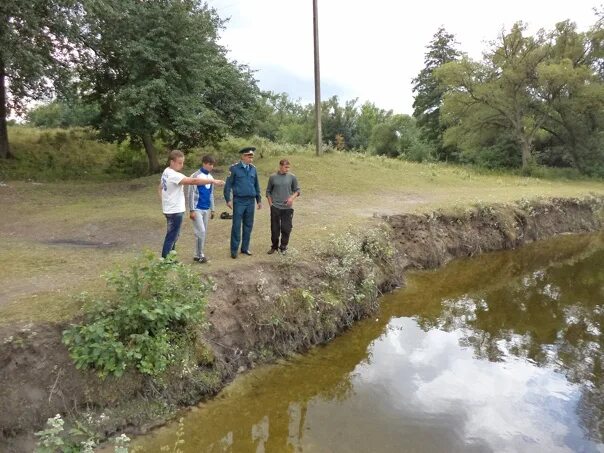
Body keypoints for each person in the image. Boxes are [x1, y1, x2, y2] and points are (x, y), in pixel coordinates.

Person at [159, 150, 224, 259]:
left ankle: (170, 259)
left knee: (174, 235)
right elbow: (193, 181)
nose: (182, 165)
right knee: (172, 236)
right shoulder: (173, 174)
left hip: (171, 209)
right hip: (175, 211)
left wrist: (164, 201)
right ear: (172, 162)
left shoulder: (166, 172)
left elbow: (160, 187)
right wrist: (212, 181)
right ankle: (166, 260)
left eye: (182, 162)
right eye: (179, 162)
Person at [223, 146, 262, 259]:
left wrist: (258, 200)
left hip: (250, 201)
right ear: (243, 156)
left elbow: (256, 185)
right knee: (236, 225)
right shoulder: (234, 168)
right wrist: (228, 199)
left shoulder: (253, 169)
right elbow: (228, 185)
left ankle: (245, 248)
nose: (251, 159)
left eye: (252, 157)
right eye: (249, 157)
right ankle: (234, 250)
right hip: (239, 201)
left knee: (248, 225)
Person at [265, 159, 300, 254]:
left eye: (288, 167)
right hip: (275, 207)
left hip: (287, 208)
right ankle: (274, 246)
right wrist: (271, 205)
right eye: (285, 167)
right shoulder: (273, 177)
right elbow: (268, 191)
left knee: (286, 228)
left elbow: (297, 191)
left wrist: (291, 198)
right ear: (280, 166)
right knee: (275, 229)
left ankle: (283, 247)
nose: (287, 169)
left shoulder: (292, 177)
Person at [187, 155, 217, 263]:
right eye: (209, 164)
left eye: (212, 164)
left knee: (201, 233)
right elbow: (190, 193)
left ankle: (196, 254)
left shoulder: (211, 178)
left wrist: (212, 209)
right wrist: (191, 210)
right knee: (201, 231)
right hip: (197, 209)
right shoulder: (195, 176)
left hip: (206, 209)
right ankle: (201, 255)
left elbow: (211, 194)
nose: (211, 167)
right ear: (204, 163)